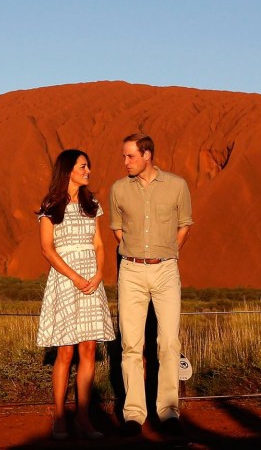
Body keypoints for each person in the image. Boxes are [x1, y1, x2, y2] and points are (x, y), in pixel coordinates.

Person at [109, 133, 193, 437]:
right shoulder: (119, 189)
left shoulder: (177, 185)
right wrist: (137, 254)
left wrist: (166, 252)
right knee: (131, 344)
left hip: (166, 270)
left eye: (130, 156)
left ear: (147, 155)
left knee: (169, 342)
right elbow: (118, 231)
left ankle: (168, 412)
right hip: (131, 270)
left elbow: (185, 225)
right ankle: (133, 415)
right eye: (124, 156)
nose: (125, 162)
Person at [35, 149, 116, 440]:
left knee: (89, 349)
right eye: (83, 166)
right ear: (68, 170)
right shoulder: (50, 205)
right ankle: (59, 417)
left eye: (89, 166)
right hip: (66, 280)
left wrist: (98, 275)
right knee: (66, 351)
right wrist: (75, 276)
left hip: (91, 282)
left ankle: (83, 417)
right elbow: (47, 249)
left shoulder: (91, 203)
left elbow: (99, 244)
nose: (88, 171)